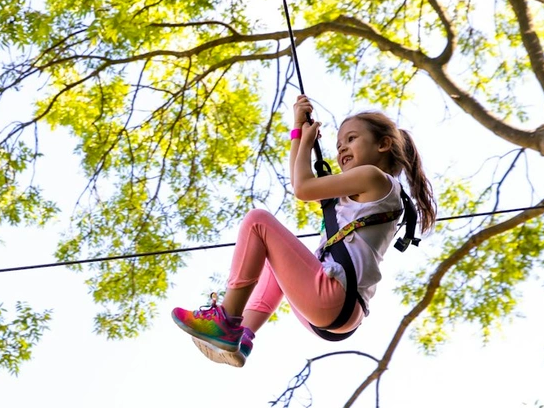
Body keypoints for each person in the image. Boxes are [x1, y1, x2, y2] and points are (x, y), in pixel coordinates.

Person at [171, 94, 437, 366]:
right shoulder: (365, 192)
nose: (342, 148)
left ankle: (225, 322)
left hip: (333, 298)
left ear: (383, 144)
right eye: (339, 144)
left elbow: (302, 188)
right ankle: (243, 337)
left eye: (351, 139)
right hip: (338, 314)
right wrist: (298, 131)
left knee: (258, 221)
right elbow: (300, 181)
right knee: (272, 258)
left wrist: (307, 142)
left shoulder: (374, 178)